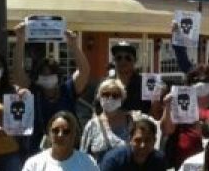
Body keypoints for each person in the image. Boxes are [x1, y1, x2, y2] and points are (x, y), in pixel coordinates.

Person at [12, 25, 91, 155]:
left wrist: (73, 45)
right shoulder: (32, 91)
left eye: (51, 73)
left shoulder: (68, 90)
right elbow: (17, 72)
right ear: (37, 78)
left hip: (68, 150)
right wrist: (20, 40)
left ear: (58, 76)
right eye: (43, 74)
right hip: (36, 151)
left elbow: (84, 71)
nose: (47, 77)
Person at [160, 64, 209, 168]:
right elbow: (167, 130)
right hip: (185, 161)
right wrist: (168, 106)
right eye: (195, 80)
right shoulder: (181, 102)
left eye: (205, 80)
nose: (199, 84)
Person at [81, 78, 133, 163]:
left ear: (122, 98)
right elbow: (83, 156)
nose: (110, 98)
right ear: (99, 97)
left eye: (115, 95)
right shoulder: (91, 125)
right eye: (105, 94)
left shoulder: (131, 122)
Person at [109, 41, 156, 117]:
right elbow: (97, 111)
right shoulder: (106, 84)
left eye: (128, 58)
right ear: (114, 61)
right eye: (119, 58)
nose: (123, 61)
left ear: (135, 60)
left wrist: (156, 97)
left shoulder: (146, 84)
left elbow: (154, 115)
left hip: (139, 126)